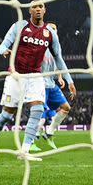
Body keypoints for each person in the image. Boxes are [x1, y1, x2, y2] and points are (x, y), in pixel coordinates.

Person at [0, 1, 75, 161]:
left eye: (41, 6)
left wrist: (69, 80)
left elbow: (58, 58)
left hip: (35, 76)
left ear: (45, 10)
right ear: (30, 11)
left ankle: (24, 151)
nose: (38, 9)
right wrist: (4, 50)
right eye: (35, 7)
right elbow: (3, 44)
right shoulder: (19, 26)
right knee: (6, 115)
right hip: (16, 76)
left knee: (38, 110)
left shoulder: (50, 33)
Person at [34, 22, 72, 150]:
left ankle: (49, 133)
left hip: (51, 84)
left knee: (66, 108)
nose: (53, 30)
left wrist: (60, 77)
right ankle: (32, 140)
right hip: (40, 85)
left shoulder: (56, 48)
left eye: (55, 29)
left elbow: (58, 65)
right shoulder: (40, 46)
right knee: (40, 116)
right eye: (50, 29)